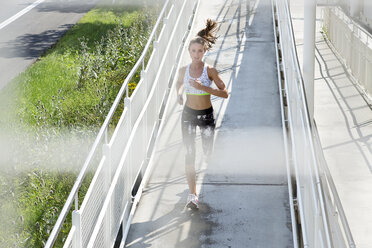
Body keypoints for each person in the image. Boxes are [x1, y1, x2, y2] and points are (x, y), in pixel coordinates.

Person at [176, 19, 229, 209]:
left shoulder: (210, 71)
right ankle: (192, 195)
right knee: (189, 154)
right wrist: (179, 95)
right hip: (188, 115)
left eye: (199, 51)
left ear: (204, 51)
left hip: (206, 115)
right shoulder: (184, 70)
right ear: (189, 52)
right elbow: (179, 83)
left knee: (207, 153)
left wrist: (205, 87)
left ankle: (193, 188)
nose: (196, 54)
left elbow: (224, 93)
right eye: (193, 51)